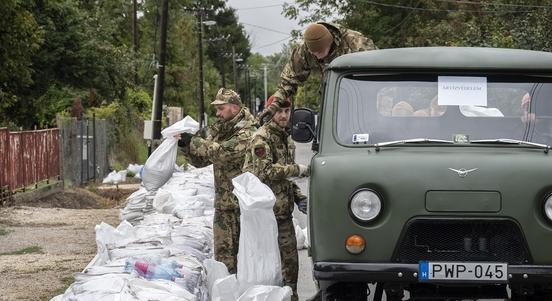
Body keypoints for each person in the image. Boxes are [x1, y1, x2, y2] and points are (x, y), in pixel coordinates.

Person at [178, 88, 257, 274]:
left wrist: (194, 142)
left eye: (221, 108)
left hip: (244, 209)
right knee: (223, 261)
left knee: (247, 262)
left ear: (235, 107)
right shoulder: (222, 130)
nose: (217, 113)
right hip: (224, 207)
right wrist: (186, 146)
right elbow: (202, 160)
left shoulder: (248, 132)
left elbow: (221, 153)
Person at [243, 96, 309, 300]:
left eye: (287, 111)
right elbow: (264, 171)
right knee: (268, 272)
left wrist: (299, 197)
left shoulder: (286, 139)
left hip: (283, 216)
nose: (283, 115)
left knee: (290, 268)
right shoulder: (261, 139)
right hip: (265, 218)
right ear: (270, 112)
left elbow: (286, 179)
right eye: (279, 111)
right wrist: (298, 169)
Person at [259, 22, 376, 123]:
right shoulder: (304, 51)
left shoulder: (355, 43)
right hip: (331, 102)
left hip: (363, 100)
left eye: (319, 51)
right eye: (313, 52)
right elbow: (289, 80)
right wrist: (275, 104)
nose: (316, 55)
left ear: (330, 43)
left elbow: (382, 72)